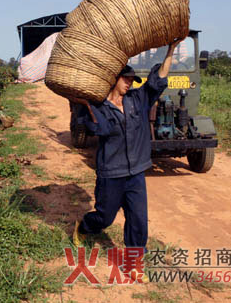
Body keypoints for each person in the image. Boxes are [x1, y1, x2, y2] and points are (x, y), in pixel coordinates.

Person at [73, 38, 185, 253]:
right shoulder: (97, 106)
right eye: (126, 78)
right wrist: (85, 104)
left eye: (132, 79)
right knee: (105, 217)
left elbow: (158, 79)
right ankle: (85, 227)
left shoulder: (138, 99)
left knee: (138, 220)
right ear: (114, 78)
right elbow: (99, 129)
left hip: (136, 171)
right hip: (111, 172)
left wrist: (171, 49)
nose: (130, 82)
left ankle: (134, 263)